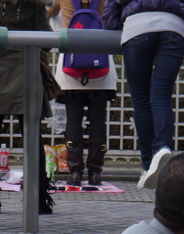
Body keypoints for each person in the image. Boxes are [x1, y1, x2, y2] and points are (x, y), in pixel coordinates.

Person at [0, 0, 56, 215]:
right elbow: (47, 41)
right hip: (26, 71)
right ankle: (38, 198)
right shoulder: (34, 6)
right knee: (32, 135)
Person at [104, 0, 184, 190]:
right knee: (161, 94)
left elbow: (110, 19)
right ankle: (163, 146)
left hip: (137, 27)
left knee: (141, 100)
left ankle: (147, 164)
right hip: (174, 27)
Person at [49, 0, 118, 187]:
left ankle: (75, 171)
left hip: (71, 61)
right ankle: (95, 172)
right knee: (98, 121)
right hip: (101, 60)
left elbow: (49, 12)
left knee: (73, 121)